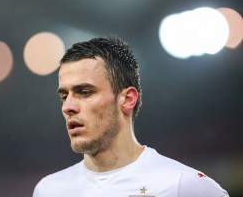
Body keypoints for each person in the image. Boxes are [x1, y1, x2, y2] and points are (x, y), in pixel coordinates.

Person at [33, 36, 229, 197]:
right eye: (64, 96)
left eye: (84, 92)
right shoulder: (48, 190)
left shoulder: (182, 185)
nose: (67, 107)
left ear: (127, 99)